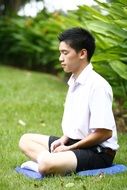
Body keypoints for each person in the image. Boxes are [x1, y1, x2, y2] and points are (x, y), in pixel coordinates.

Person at [19, 27, 119, 176]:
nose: (60, 58)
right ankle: (51, 161)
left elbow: (104, 133)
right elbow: (79, 123)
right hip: (74, 142)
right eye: (60, 53)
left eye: (65, 53)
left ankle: (44, 164)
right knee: (25, 140)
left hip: (98, 152)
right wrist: (64, 139)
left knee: (47, 164)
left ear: (82, 54)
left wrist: (70, 148)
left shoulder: (98, 85)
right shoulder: (74, 81)